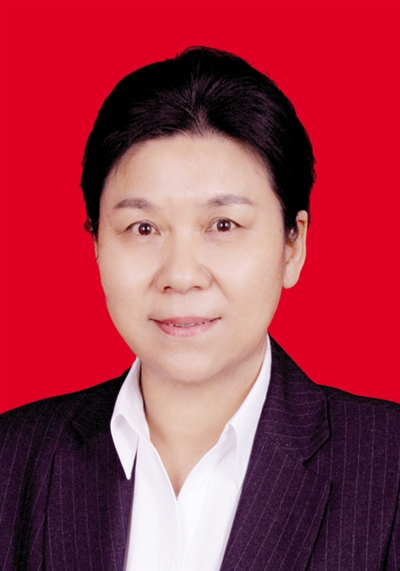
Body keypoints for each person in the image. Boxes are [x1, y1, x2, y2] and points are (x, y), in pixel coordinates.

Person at [0, 47, 399, 571]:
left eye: (223, 225)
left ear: (293, 245)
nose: (181, 275)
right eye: (143, 228)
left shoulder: (388, 467)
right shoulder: (12, 461)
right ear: (96, 243)